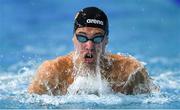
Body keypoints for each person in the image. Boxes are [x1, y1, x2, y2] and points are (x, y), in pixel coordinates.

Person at [28, 7, 158, 95]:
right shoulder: (52, 73)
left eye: (97, 38)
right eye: (82, 37)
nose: (89, 45)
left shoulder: (130, 72)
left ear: (106, 40)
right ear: (73, 39)